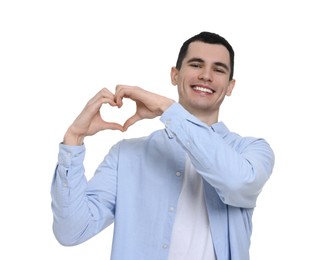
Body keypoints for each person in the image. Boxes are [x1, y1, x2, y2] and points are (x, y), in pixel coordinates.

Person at [51, 31, 275, 260]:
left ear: (230, 86)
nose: (206, 76)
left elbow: (236, 183)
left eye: (218, 69)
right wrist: (74, 139)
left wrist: (168, 109)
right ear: (175, 75)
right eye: (196, 65)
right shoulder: (126, 155)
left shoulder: (252, 151)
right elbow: (71, 231)